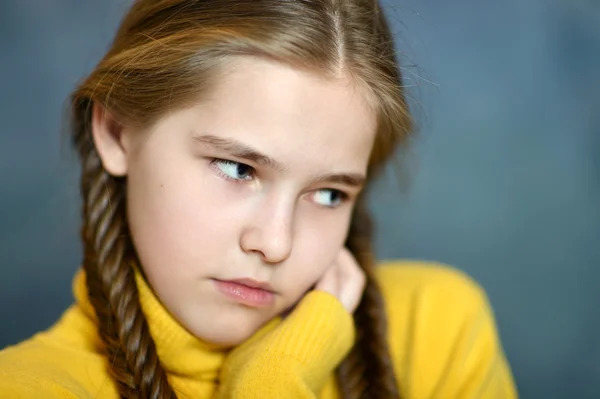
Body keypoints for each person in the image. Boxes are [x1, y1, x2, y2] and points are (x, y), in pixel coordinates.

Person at [0, 1, 518, 398]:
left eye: (329, 193)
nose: (276, 243)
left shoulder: (434, 331)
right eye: (237, 168)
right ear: (116, 132)